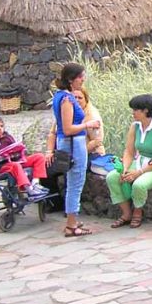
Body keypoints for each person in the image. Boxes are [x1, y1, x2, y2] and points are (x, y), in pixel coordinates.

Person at [47, 62, 98, 237]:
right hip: (73, 143)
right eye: (80, 77)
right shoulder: (67, 99)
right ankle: (71, 225)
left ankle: (73, 219)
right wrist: (88, 124)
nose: (82, 79)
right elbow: (68, 128)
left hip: (69, 143)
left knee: (73, 182)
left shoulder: (60, 95)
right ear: (70, 79)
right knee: (76, 182)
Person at [106, 94, 152, 229]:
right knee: (112, 177)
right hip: (139, 161)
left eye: (136, 109)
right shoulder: (135, 126)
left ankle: (138, 211)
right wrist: (125, 168)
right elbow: (129, 151)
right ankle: (126, 213)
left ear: (146, 110)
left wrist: (139, 172)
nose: (133, 113)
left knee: (139, 184)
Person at [0, 114, 49, 197]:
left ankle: (35, 183)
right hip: (1, 166)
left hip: (15, 160)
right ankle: (29, 189)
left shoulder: (7, 137)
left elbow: (15, 148)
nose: (0, 129)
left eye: (2, 126)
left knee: (39, 157)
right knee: (15, 165)